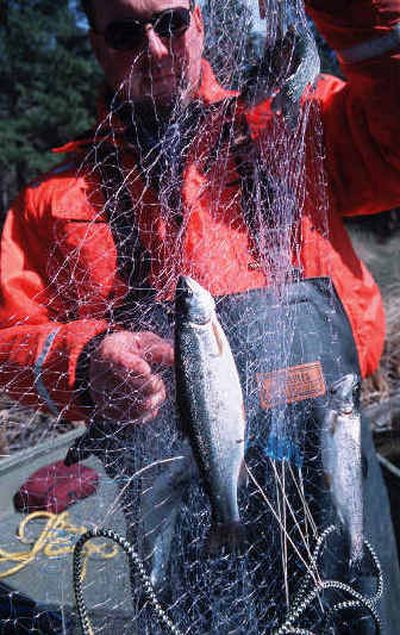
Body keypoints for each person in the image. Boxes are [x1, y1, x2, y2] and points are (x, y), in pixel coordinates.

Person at [0, 0, 400, 632]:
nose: (155, 49)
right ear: (97, 44)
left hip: (327, 455)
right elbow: (7, 341)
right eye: (127, 32)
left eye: (171, 22)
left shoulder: (294, 121)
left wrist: (356, 11)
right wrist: (83, 360)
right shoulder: (52, 198)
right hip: (178, 512)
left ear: (202, 21)